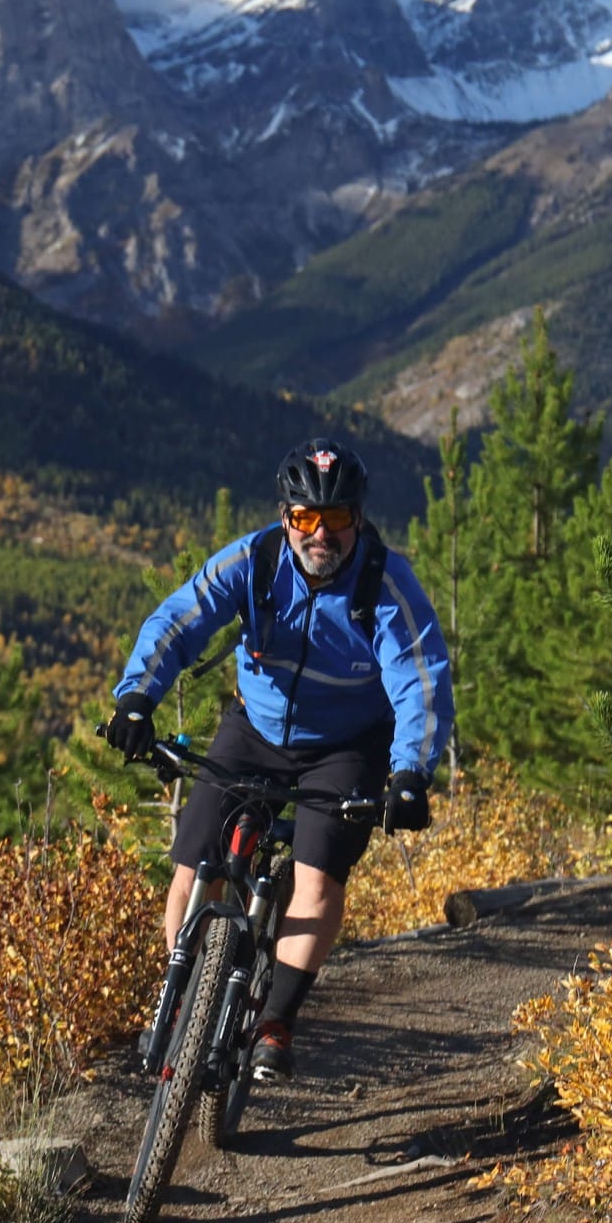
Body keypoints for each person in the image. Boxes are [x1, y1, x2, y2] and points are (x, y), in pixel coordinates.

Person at [104, 439, 454, 1080]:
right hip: (257, 730)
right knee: (194, 867)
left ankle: (276, 1022)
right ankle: (180, 1001)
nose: (322, 534)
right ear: (287, 515)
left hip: (347, 747)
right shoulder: (256, 559)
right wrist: (135, 698)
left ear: (358, 518)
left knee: (317, 877)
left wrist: (410, 772)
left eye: (338, 519)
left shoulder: (384, 584)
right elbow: (181, 619)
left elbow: (419, 682)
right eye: (305, 518)